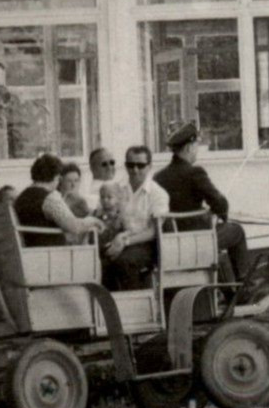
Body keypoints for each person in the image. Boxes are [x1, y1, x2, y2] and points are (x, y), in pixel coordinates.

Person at [155, 119, 250, 285]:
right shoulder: (194, 173)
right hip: (197, 241)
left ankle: (229, 289)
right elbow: (220, 203)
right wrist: (221, 215)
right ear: (188, 147)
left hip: (170, 246)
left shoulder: (158, 177)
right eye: (196, 147)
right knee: (237, 231)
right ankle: (244, 284)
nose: (196, 151)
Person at [103, 145, 167, 290]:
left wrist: (125, 241)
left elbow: (153, 231)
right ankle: (110, 307)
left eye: (140, 165)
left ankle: (134, 308)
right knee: (99, 261)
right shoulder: (117, 188)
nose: (135, 170)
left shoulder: (158, 194)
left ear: (150, 166)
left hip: (146, 244)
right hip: (119, 238)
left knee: (124, 262)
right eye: (130, 165)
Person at [13, 154, 103, 247]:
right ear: (55, 177)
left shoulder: (21, 198)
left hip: (29, 252)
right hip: (51, 253)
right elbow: (75, 226)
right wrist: (93, 220)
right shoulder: (49, 198)